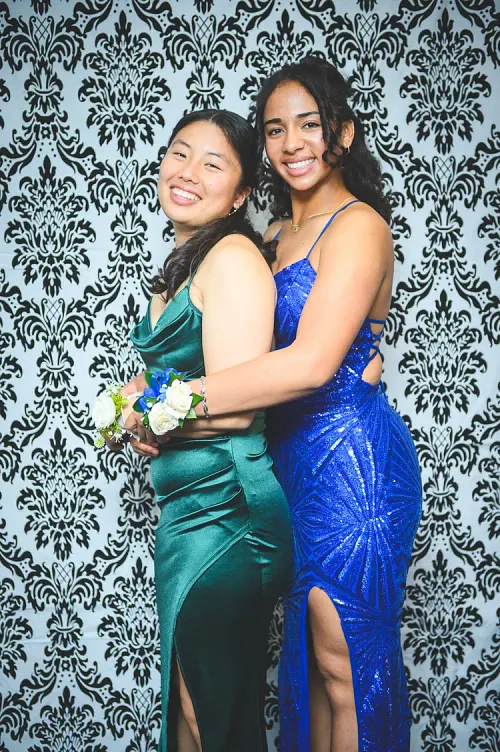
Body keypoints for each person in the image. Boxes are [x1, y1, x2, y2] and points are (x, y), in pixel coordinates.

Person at [127, 58, 422, 751]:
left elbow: (312, 364)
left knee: (343, 658)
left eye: (309, 125)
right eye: (274, 129)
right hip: (280, 464)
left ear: (343, 133)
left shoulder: (360, 226)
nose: (291, 143)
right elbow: (230, 353)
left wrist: (171, 402)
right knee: (303, 666)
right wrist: (146, 406)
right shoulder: (268, 240)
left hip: (351, 464)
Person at [117, 109, 293, 752]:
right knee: (188, 706)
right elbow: (161, 387)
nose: (187, 172)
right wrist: (134, 415)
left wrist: (148, 411)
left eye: (212, 164)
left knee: (210, 713)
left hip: (228, 510)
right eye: (179, 153)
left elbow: (237, 407)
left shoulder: (234, 259)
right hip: (187, 512)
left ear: (242, 193)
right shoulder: (180, 269)